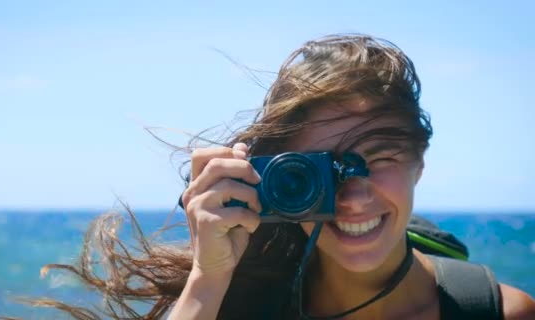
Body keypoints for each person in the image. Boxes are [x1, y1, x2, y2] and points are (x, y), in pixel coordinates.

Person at [35, 34, 535, 319]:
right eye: (320, 168)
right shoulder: (241, 308)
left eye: (379, 157)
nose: (354, 197)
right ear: (276, 178)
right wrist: (207, 279)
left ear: (419, 163)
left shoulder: (497, 315)